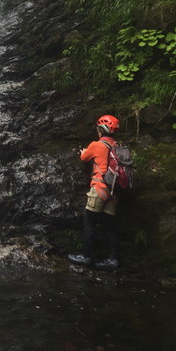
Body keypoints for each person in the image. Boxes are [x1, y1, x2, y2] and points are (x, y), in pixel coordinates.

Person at [67, 114, 122, 270]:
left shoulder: (97, 145)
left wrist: (84, 151)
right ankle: (113, 260)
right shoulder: (117, 146)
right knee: (109, 226)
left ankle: (86, 257)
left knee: (90, 223)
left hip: (99, 189)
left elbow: (84, 157)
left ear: (101, 130)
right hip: (114, 191)